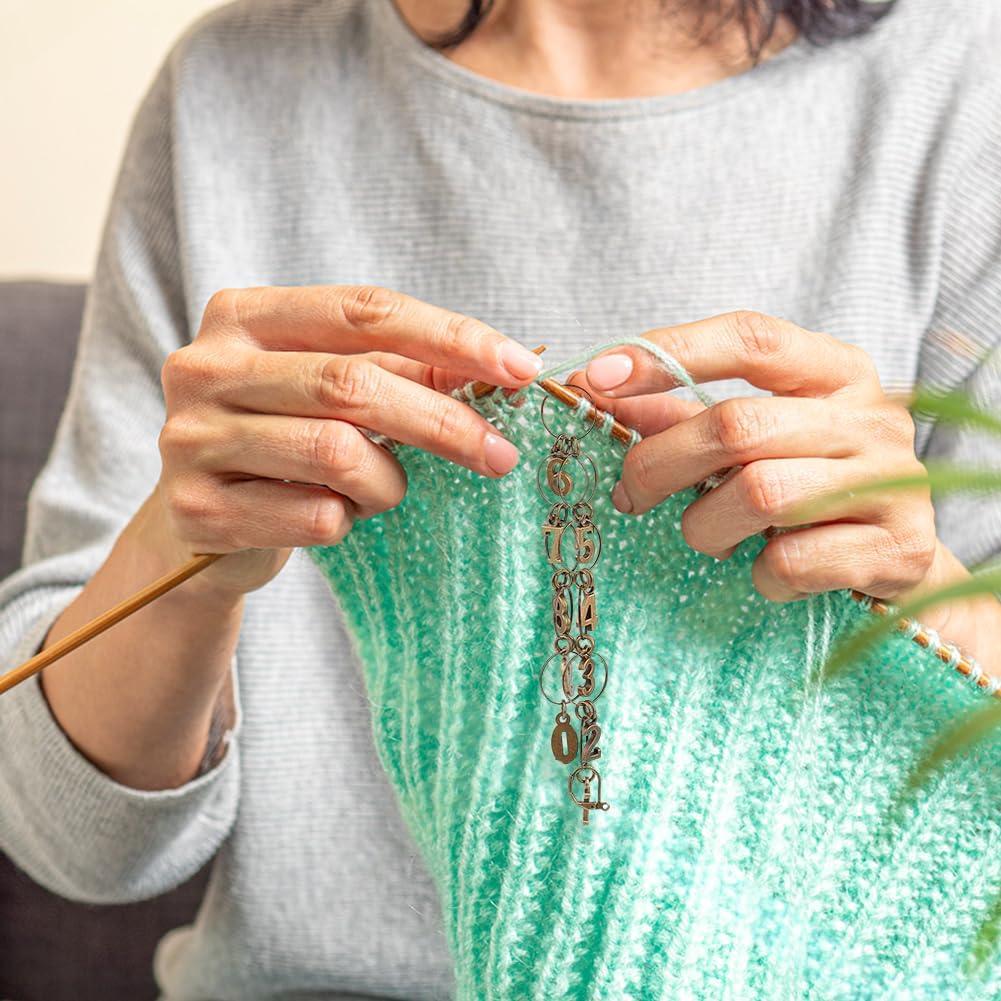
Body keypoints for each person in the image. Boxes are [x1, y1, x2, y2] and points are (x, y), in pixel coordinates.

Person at [1, 0, 1000, 997]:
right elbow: (76, 843)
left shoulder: (961, 89)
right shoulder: (229, 86)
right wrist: (182, 560)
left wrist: (926, 589)